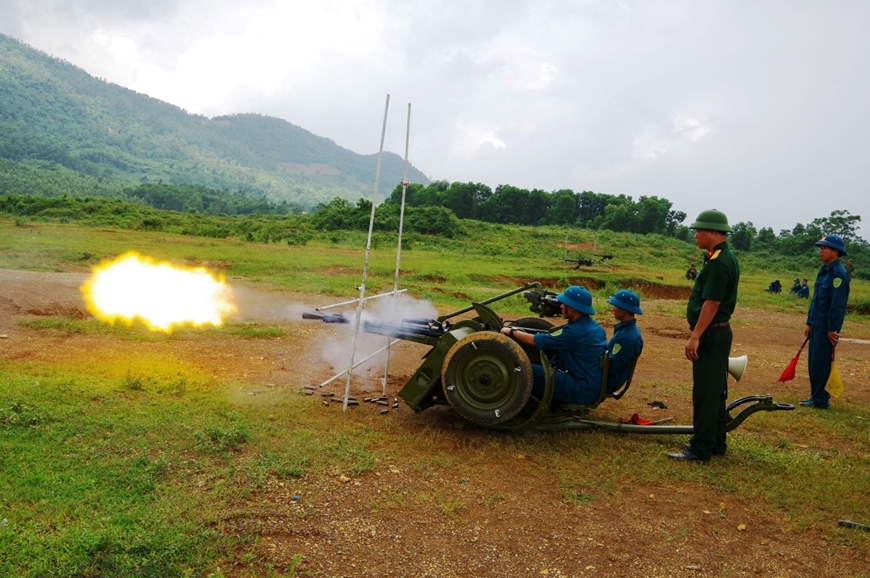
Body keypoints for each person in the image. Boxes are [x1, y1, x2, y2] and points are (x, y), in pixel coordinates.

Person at [668, 209, 740, 462]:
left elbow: (712, 303)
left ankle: (700, 449)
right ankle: (716, 442)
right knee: (715, 391)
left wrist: (695, 336)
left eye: (699, 231)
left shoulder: (720, 262)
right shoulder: (719, 258)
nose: (695, 235)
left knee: (706, 394)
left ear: (712, 232)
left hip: (711, 334)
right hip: (717, 333)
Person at [501, 286, 606, 405]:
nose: (561, 306)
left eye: (564, 304)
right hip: (589, 386)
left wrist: (512, 331)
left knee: (526, 369)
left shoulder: (576, 331)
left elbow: (534, 341)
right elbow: (552, 337)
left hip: (579, 389)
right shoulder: (594, 327)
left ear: (574, 308)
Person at [801, 235, 850, 409]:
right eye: (820, 247)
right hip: (816, 323)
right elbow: (816, 299)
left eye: (824, 248)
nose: (820, 250)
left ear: (835, 251)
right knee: (814, 362)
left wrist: (832, 328)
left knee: (821, 363)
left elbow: (837, 304)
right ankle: (815, 396)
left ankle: (821, 400)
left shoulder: (838, 273)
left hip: (825, 327)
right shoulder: (824, 270)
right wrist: (809, 322)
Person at [605, 289, 644, 393]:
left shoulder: (627, 337)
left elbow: (611, 366)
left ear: (625, 310)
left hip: (607, 381)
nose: (613, 310)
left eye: (616, 306)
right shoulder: (627, 330)